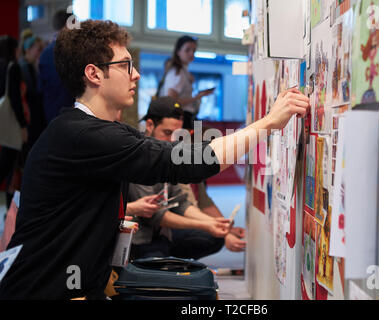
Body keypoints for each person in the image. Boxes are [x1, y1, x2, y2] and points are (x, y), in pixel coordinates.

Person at [0, 20, 309, 300]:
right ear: (94, 73)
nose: (136, 74)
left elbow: (176, 156)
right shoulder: (84, 135)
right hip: (44, 289)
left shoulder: (96, 131)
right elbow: (187, 160)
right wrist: (267, 123)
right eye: (125, 65)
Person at [128, 97, 244, 260]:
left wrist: (216, 224)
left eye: (177, 135)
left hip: (163, 236)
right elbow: (156, 216)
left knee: (212, 237)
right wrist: (207, 224)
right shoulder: (139, 156)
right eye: (167, 133)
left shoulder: (170, 154)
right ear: (149, 125)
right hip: (140, 242)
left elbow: (183, 202)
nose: (172, 141)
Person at [158, 35, 215, 129]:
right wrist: (196, 97)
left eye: (194, 50)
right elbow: (172, 101)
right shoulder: (177, 72)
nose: (191, 54)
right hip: (181, 118)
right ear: (178, 52)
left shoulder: (183, 71)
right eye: (187, 50)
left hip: (184, 117)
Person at [0, 35, 29, 209]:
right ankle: (12, 200)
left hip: (4, 119)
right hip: (13, 120)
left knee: (7, 158)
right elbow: (15, 98)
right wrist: (23, 125)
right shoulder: (14, 67)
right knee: (11, 161)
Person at [39, 10, 76, 123]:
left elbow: (40, 87)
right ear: (67, 25)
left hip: (50, 113)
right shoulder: (72, 52)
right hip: (69, 113)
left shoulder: (45, 53)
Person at [18, 29, 46, 155]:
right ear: (28, 50)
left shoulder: (30, 66)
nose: (41, 53)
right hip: (31, 117)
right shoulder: (26, 67)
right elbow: (33, 93)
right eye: (38, 49)